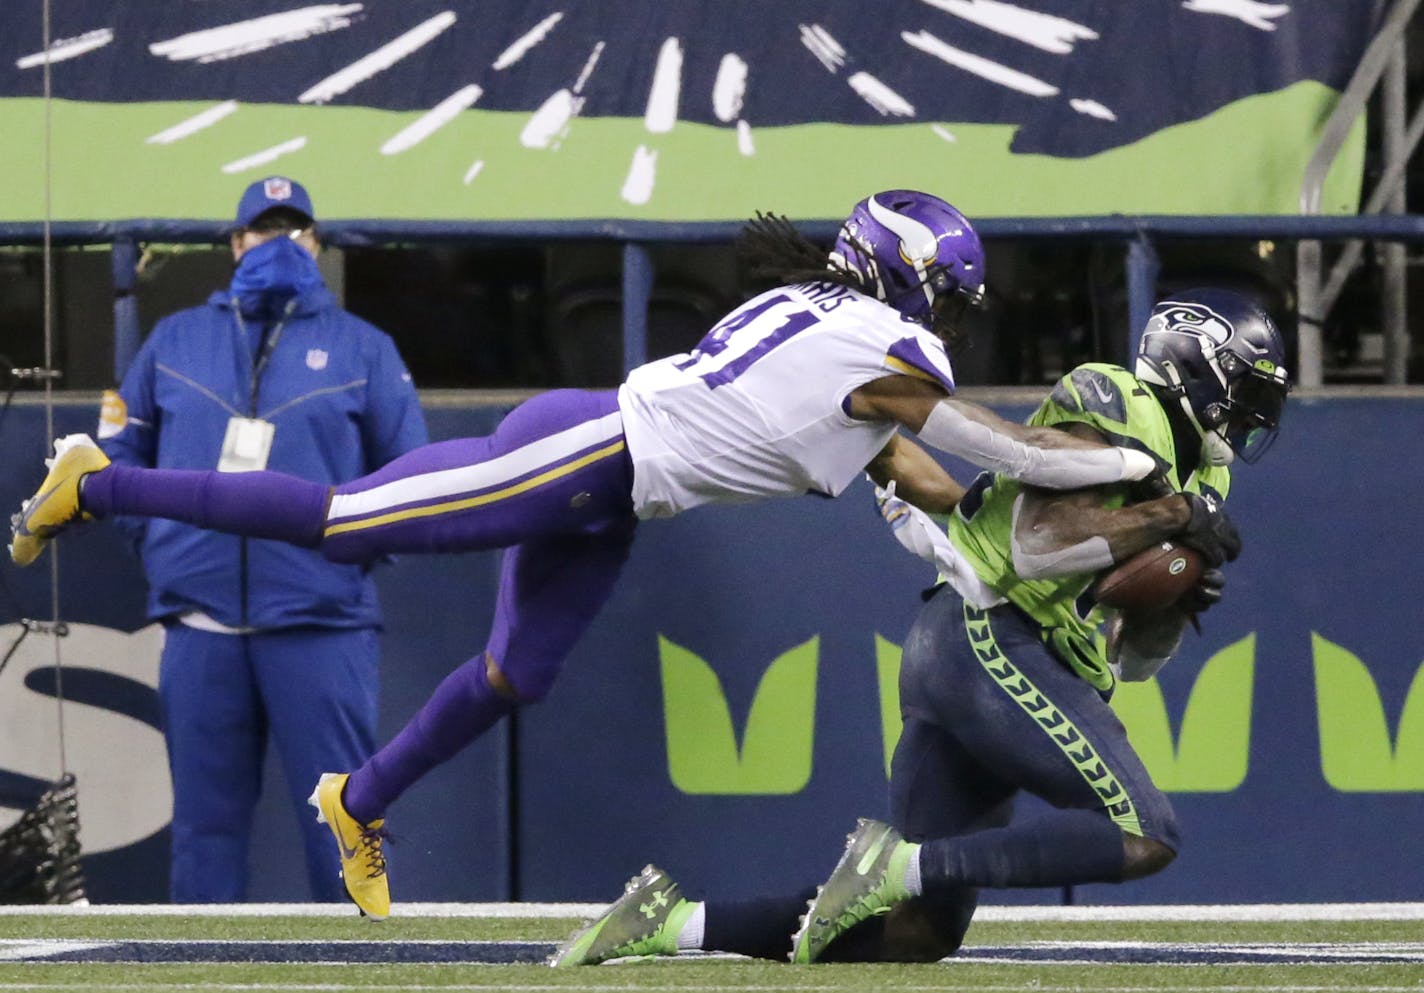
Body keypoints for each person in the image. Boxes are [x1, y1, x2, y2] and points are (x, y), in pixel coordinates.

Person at [11, 189, 1162, 920]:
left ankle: (356, 802)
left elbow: (920, 479)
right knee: (339, 519)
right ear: (904, 280)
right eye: (946, 295)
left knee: (517, 674)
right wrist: (1128, 477)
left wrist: (1013, 542)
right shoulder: (876, 344)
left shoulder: (842, 337)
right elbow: (997, 449)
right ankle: (99, 482)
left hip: (610, 486)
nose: (950, 319)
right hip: (584, 454)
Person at [548, 286, 1290, 966]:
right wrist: (1167, 517)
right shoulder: (1122, 399)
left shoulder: (1207, 477)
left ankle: (669, 923)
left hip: (985, 652)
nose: (1255, 410)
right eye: (1249, 387)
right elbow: (1035, 550)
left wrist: (1176, 601)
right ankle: (890, 863)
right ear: (1199, 363)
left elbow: (1131, 663)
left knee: (910, 933)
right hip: (994, 635)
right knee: (1144, 830)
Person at [92, 175, 428, 903]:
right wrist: (157, 540)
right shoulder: (174, 339)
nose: (278, 242)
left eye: (293, 228)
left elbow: (411, 477)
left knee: (345, 827)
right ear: (235, 243)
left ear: (317, 242)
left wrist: (348, 551)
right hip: (200, 622)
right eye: (262, 229)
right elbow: (115, 454)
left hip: (321, 624)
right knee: (203, 831)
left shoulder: (364, 348)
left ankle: (363, 977)